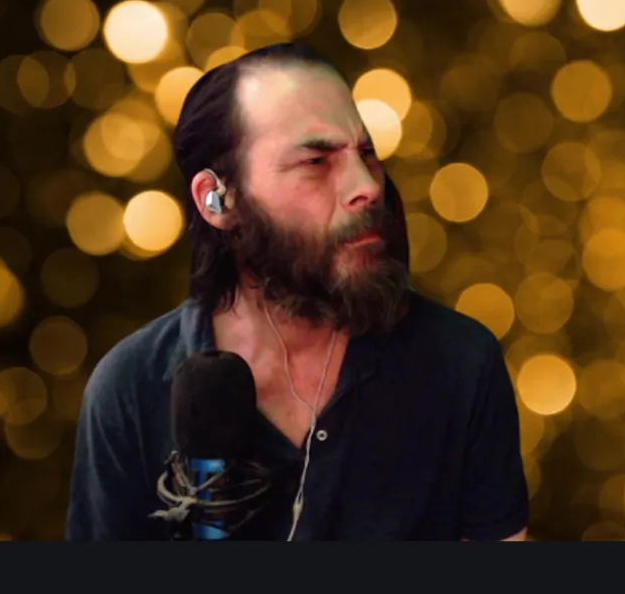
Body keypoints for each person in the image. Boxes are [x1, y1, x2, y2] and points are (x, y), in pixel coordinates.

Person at [66, 42, 528, 541]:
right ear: (218, 200)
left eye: (366, 153)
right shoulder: (131, 391)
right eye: (316, 161)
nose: (367, 186)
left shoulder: (459, 365)